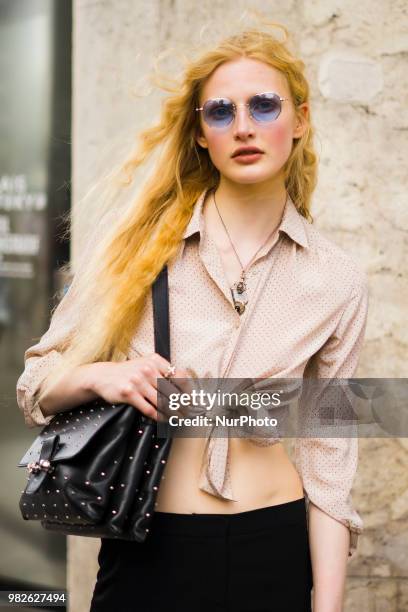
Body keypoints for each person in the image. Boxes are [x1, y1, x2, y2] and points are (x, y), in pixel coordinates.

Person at [16, 21, 369, 612]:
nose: (245, 126)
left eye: (264, 105)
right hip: (153, 547)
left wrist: (327, 605)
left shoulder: (336, 278)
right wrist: (99, 377)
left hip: (275, 545)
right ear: (202, 134)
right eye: (221, 112)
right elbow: (35, 387)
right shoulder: (138, 252)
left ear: (299, 121)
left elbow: (330, 463)